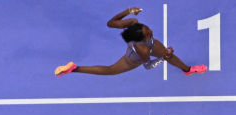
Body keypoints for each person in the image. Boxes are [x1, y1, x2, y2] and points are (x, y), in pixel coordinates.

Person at [55, 7, 207, 76]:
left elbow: (111, 23)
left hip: (151, 46)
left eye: (147, 28)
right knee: (110, 70)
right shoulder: (143, 49)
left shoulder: (133, 24)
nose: (150, 30)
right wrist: (163, 57)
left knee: (170, 55)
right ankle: (75, 68)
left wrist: (128, 11)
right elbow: (148, 66)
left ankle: (187, 70)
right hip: (133, 59)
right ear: (142, 38)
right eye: (148, 32)